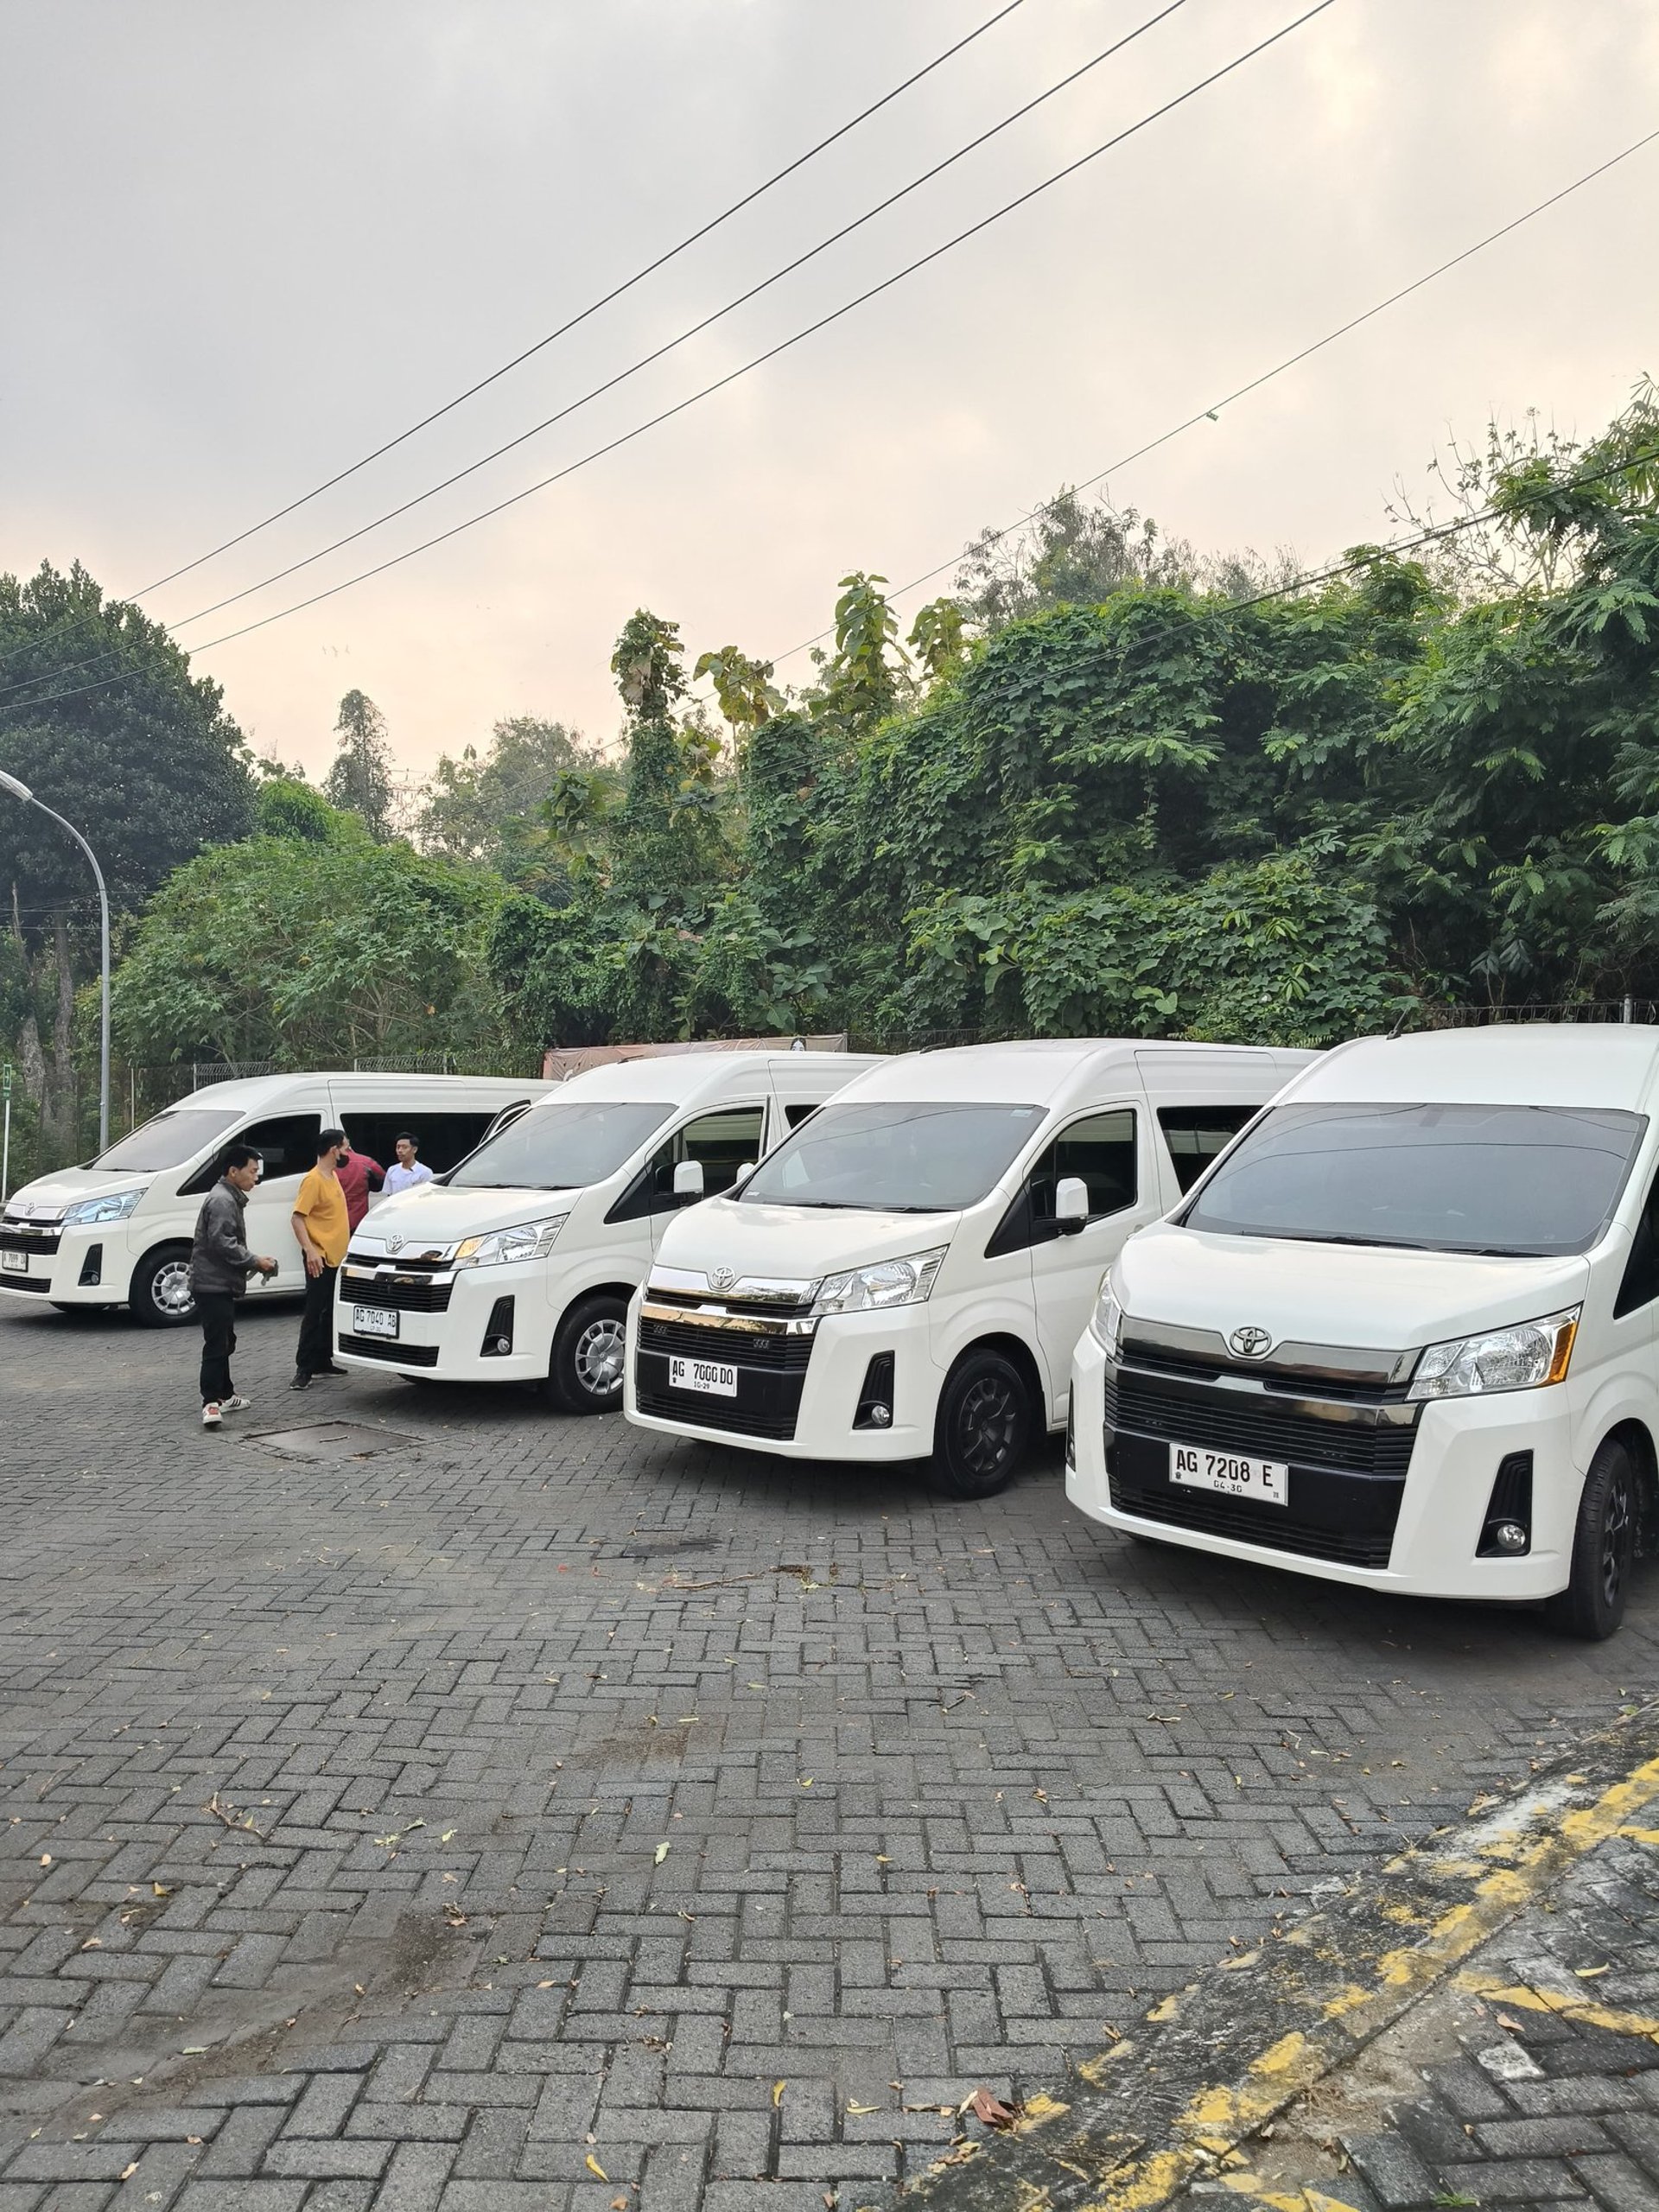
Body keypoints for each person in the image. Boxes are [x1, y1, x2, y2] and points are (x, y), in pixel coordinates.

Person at [189, 1142, 277, 1428]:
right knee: (217, 1343)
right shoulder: (223, 1201)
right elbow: (222, 1243)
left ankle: (226, 1394)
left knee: (226, 1340)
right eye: (252, 1171)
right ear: (233, 1171)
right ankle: (210, 1403)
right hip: (211, 1285)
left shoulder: (228, 1197)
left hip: (218, 1283)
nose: (256, 1177)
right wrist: (255, 1261)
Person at [290, 1128, 351, 1390]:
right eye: (345, 1148)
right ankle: (303, 1367)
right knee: (315, 1311)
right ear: (333, 1150)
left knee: (329, 1311)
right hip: (321, 1257)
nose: (348, 1153)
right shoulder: (313, 1180)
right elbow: (297, 1217)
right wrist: (311, 1250)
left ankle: (322, 1359)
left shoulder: (332, 1176)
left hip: (337, 1258)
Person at [334, 1133, 385, 1232]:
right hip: (358, 1221)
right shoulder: (366, 1162)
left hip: (334, 1222)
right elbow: (382, 1181)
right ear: (348, 1142)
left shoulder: (328, 1165)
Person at [382, 1132, 434, 1197]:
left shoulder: (425, 1172)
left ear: (414, 1150)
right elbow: (389, 1195)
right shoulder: (392, 1170)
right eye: (398, 1147)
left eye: (404, 1147)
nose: (400, 1150)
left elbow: (428, 1196)